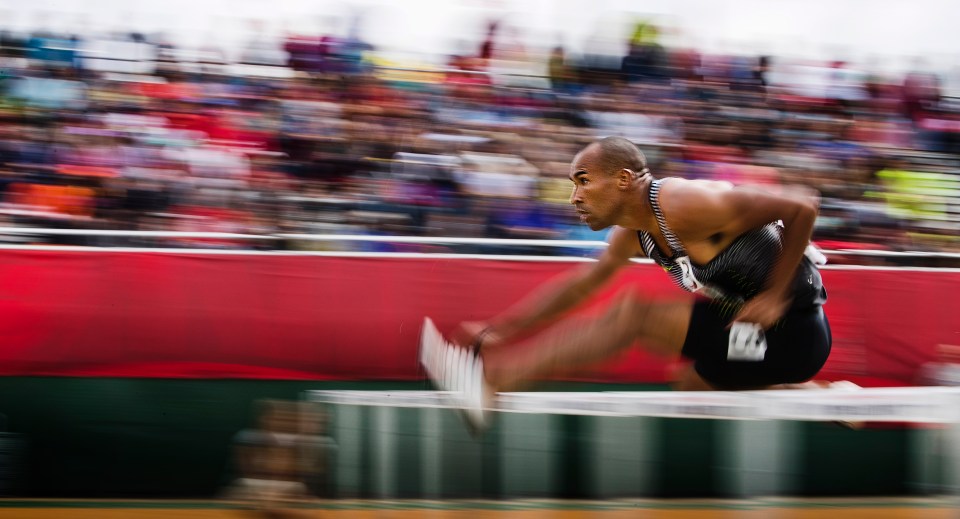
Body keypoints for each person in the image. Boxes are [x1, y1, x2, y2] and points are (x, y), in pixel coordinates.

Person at [420, 136, 846, 430]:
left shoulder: (684, 204)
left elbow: (801, 206)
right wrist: (500, 329)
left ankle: (490, 384)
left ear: (624, 179)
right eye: (573, 186)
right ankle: (822, 397)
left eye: (583, 181)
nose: (574, 197)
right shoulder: (632, 233)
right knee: (693, 389)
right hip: (748, 332)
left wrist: (774, 295)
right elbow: (582, 286)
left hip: (795, 329)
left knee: (634, 315)